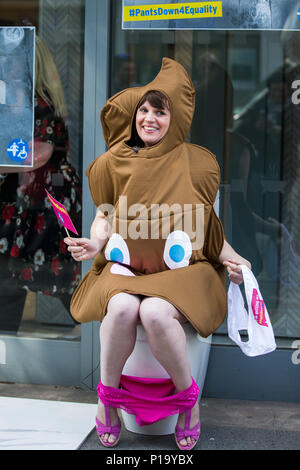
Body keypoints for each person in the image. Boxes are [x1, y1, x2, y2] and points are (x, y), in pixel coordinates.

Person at [65, 58, 251, 450]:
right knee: (121, 308)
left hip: (183, 272)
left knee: (152, 311)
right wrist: (95, 243)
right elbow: (105, 218)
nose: (149, 118)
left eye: (160, 111)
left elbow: (209, 228)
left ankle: (187, 401)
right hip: (128, 269)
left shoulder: (198, 164)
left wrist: (234, 260)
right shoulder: (115, 162)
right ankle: (107, 401)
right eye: (143, 110)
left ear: (176, 117)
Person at [0, 36, 82, 333]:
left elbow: (35, 155)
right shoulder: (19, 99)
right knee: (13, 272)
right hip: (26, 196)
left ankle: (98, 336)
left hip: (42, 197)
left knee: (49, 271)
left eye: (11, 60)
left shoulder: (39, 104)